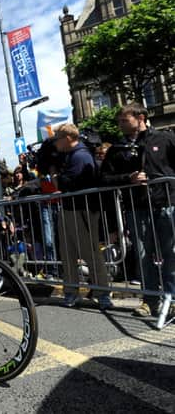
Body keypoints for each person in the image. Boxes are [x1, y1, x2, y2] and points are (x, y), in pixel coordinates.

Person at [101, 103, 175, 317]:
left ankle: (171, 297)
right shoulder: (117, 149)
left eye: (124, 120)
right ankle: (149, 300)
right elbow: (104, 178)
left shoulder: (165, 138)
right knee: (144, 255)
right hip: (138, 207)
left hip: (166, 203)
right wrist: (128, 179)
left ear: (140, 117)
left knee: (171, 253)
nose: (120, 125)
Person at [52, 123, 113, 310]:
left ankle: (102, 294)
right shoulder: (73, 155)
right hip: (71, 209)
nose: (55, 143)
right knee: (68, 253)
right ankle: (72, 292)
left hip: (81, 209)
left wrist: (55, 175)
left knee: (90, 252)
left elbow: (66, 183)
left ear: (68, 138)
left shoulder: (80, 156)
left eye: (58, 138)